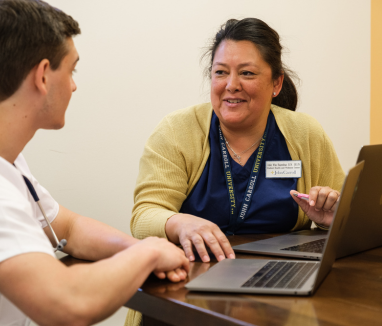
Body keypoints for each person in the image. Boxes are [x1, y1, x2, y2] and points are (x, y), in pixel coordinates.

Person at [0, 1, 189, 325]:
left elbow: (69, 228)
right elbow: (68, 303)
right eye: (71, 70)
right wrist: (151, 251)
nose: (73, 85)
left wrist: (132, 250)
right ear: (43, 76)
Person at [131, 18, 345, 264]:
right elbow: (143, 217)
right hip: (188, 275)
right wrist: (178, 222)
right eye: (220, 72)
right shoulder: (176, 131)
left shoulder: (305, 133)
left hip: (278, 279)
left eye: (247, 73)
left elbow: (347, 221)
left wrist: (328, 221)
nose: (231, 85)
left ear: (276, 82)